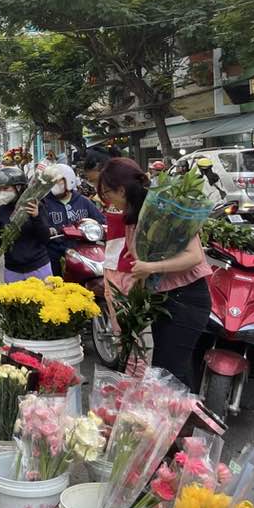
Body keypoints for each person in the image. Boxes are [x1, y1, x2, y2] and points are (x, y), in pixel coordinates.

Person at [98, 158, 212, 390]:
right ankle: (179, 424)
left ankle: (172, 424)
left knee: (168, 374)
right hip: (165, 300)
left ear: (121, 189)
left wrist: (150, 268)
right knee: (169, 372)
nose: (106, 200)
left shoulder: (162, 209)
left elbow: (194, 256)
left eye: (107, 193)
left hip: (187, 299)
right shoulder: (134, 215)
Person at [0, 167, 52, 282]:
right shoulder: (0, 211)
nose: (2, 192)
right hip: (13, 271)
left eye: (5, 188)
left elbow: (45, 238)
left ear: (18, 187)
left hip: (38, 268)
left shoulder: (35, 206)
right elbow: (0, 241)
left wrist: (36, 217)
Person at [41, 164, 105, 274]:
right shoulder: (44, 203)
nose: (54, 185)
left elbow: (102, 221)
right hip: (55, 254)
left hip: (84, 253)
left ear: (69, 180)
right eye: (51, 182)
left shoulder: (84, 202)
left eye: (58, 181)